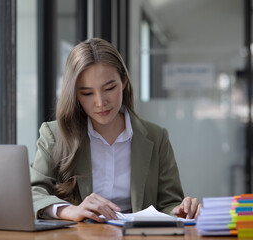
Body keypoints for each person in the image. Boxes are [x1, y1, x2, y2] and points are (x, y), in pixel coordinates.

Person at [30, 38, 201, 223]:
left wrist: (181, 211)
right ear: (75, 94)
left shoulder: (156, 137)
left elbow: (168, 203)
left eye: (109, 88)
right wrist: (69, 211)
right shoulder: (55, 135)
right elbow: (32, 193)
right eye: (87, 93)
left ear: (124, 81)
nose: (100, 102)